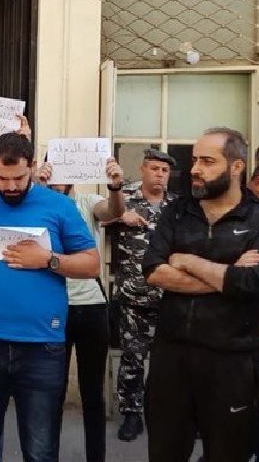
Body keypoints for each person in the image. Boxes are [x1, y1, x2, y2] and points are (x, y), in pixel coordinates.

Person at [142, 127, 259, 462]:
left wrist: (189, 261)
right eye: (195, 160)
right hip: (171, 357)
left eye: (207, 161)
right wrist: (229, 273)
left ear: (236, 167)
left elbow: (257, 281)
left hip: (231, 361)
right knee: (164, 453)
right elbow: (154, 271)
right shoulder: (178, 212)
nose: (195, 169)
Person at [0, 132, 99, 462]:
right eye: (2, 178)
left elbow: (92, 264)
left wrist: (48, 260)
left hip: (41, 346)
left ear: (33, 168)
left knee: (39, 449)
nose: (10, 186)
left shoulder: (60, 206)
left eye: (19, 178)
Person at [38, 155, 126, 462]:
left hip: (91, 307)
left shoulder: (87, 201)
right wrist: (40, 186)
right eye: (53, 171)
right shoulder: (38, 204)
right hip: (54, 307)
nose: (58, 178)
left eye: (63, 172)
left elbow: (113, 211)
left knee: (92, 395)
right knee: (53, 392)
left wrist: (115, 186)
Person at [105, 148, 176, 441]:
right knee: (132, 359)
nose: (160, 174)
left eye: (165, 170)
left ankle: (163, 413)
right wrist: (120, 215)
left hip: (170, 298)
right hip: (134, 296)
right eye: (154, 169)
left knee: (169, 362)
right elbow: (102, 218)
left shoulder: (177, 207)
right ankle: (131, 414)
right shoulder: (125, 200)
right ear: (143, 170)